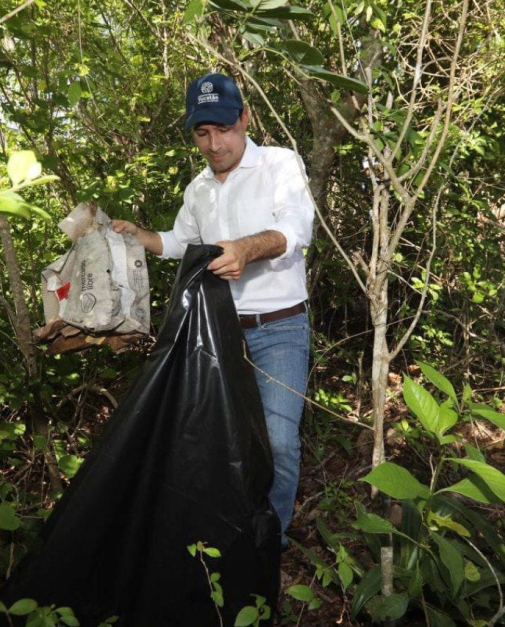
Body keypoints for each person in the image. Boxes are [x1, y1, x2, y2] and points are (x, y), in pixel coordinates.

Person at [113, 72, 315, 542]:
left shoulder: (280, 165)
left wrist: (246, 248)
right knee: (216, 439)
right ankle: (225, 536)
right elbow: (180, 242)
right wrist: (138, 235)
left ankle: (271, 539)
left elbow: (297, 228)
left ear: (245, 118)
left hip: (278, 328)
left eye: (224, 129)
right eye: (203, 133)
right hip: (217, 331)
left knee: (280, 443)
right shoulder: (198, 189)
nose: (215, 144)